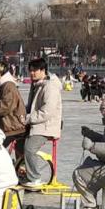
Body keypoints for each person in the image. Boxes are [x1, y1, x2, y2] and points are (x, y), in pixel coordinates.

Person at [21, 57, 63, 189]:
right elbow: (32, 106)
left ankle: (35, 177)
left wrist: (28, 119)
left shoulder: (50, 87)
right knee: (19, 141)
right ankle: (23, 169)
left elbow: (47, 111)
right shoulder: (37, 84)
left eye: (35, 70)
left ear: (43, 70)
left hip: (46, 126)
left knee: (29, 148)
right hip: (36, 123)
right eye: (30, 70)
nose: (32, 73)